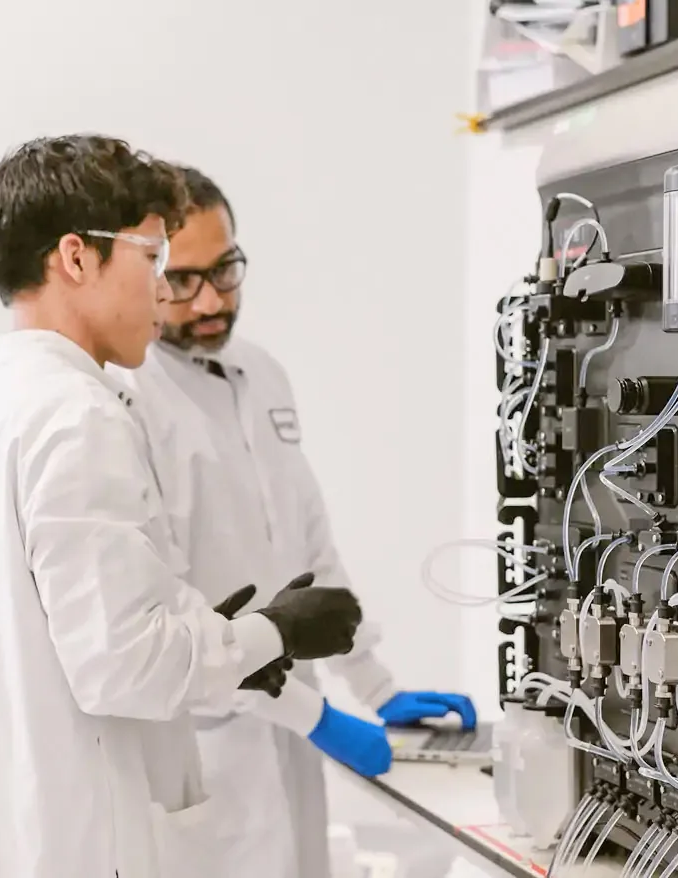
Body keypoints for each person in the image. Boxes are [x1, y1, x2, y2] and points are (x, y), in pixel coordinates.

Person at [0, 135, 364, 878]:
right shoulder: (79, 416)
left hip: (21, 833)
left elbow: (76, 632)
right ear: (76, 257)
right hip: (81, 843)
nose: (166, 293)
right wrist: (274, 633)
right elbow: (123, 664)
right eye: (153, 260)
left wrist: (210, 636)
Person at [122, 165, 478, 878]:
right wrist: (312, 718)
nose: (214, 299)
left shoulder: (261, 373)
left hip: (291, 734)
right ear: (151, 276)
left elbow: (305, 542)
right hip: (207, 739)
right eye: (186, 281)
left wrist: (375, 686)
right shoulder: (129, 400)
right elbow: (168, 617)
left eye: (227, 269)